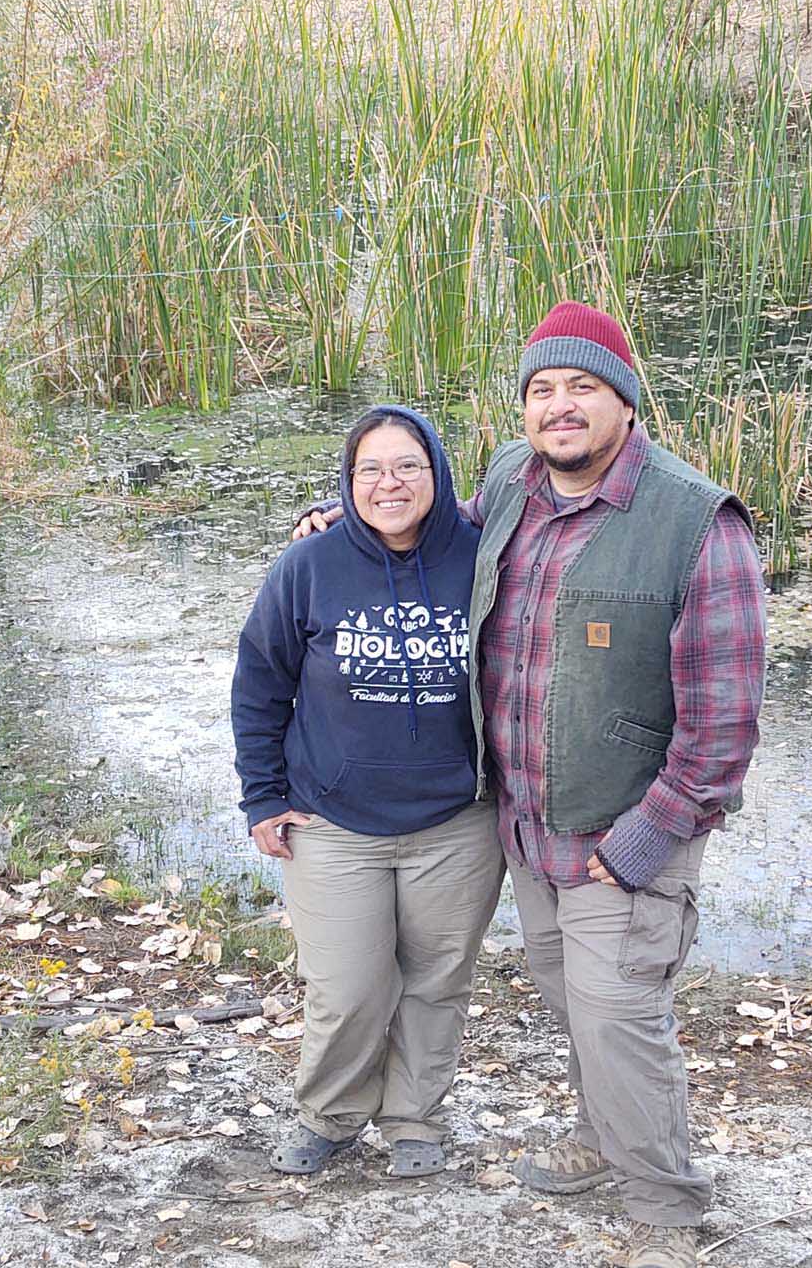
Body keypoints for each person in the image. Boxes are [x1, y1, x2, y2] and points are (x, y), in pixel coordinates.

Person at [295, 303, 766, 1268]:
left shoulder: (696, 524)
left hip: (621, 836)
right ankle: (604, 1143)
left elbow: (723, 730)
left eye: (582, 388)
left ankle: (667, 1206)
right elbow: (436, 536)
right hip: (527, 830)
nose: (560, 408)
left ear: (626, 404)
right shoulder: (514, 484)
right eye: (542, 390)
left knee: (619, 1015)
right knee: (572, 1000)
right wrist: (346, 519)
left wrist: (642, 844)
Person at [233, 405, 505, 1178]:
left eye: (408, 466)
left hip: (457, 820)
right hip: (333, 819)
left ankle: (414, 1115)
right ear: (347, 484)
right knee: (348, 987)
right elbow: (259, 683)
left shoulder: (484, 555)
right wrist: (262, 797)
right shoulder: (309, 566)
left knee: (437, 980)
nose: (391, 484)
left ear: (439, 473)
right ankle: (331, 1114)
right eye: (370, 471)